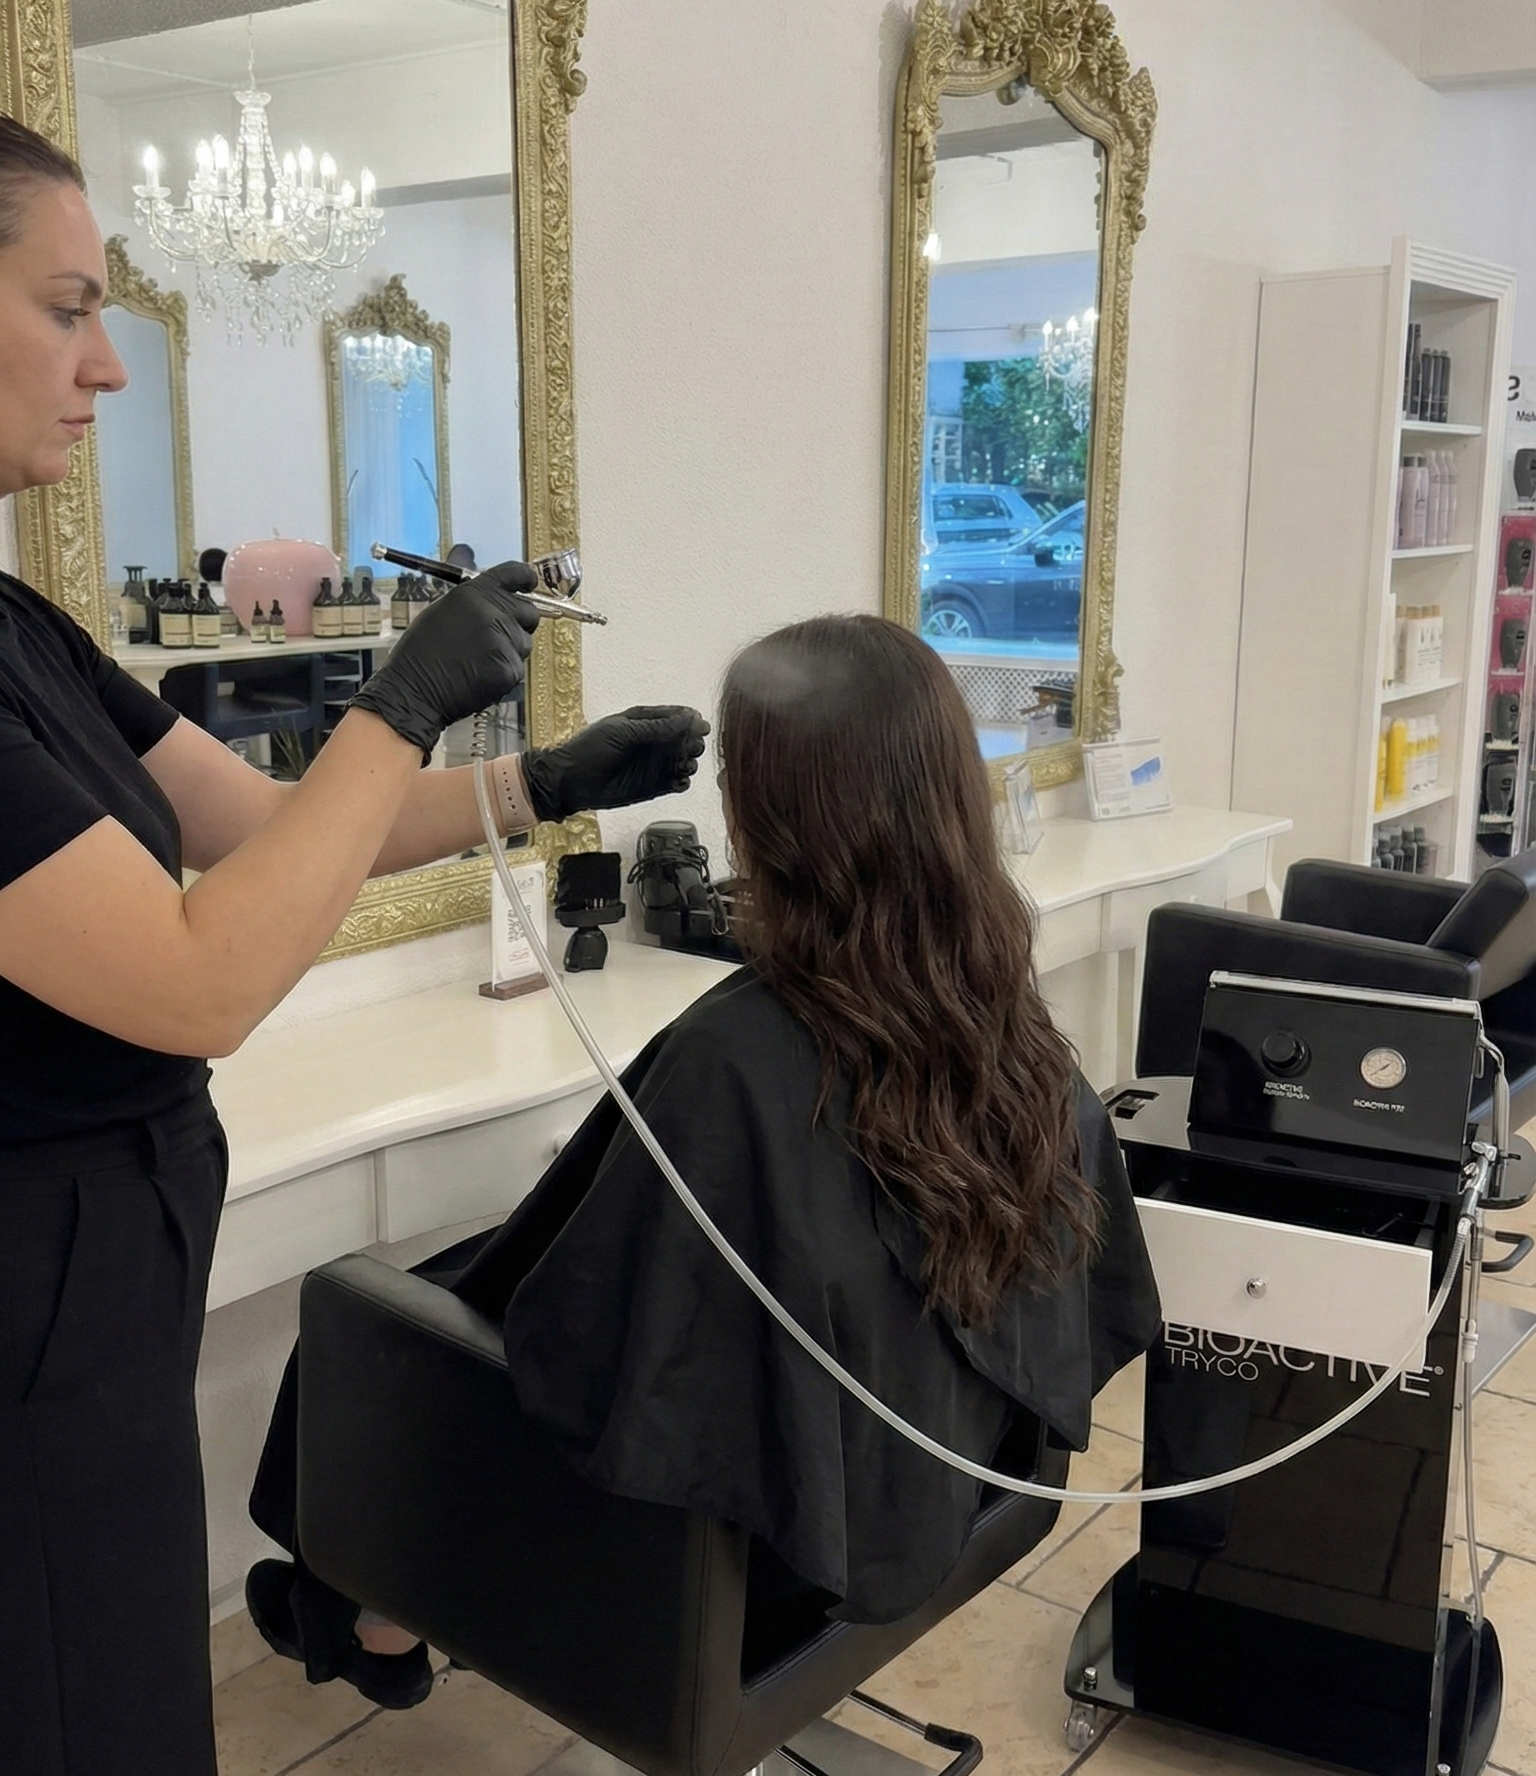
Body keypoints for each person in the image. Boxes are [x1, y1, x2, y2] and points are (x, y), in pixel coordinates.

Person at [0, 113, 708, 1776]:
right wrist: (401, 700)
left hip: (108, 1268)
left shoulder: (21, 627)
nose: (108, 364)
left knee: (116, 1671)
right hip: (30, 1290)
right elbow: (199, 978)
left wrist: (534, 783)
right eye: (66, 309)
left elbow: (262, 827)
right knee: (68, 1696)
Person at [247, 613, 1160, 1702]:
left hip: (743, 1579)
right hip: (922, 1499)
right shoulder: (993, 1005)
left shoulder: (737, 1063)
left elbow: (586, 1358)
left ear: (760, 815)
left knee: (364, 1329)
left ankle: (369, 1617)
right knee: (502, 1275)